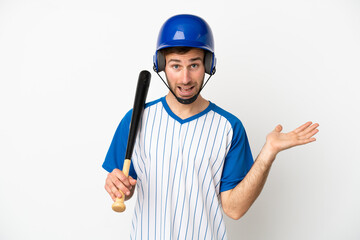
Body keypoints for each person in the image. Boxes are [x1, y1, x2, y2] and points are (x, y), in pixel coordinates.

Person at [102, 14, 319, 240]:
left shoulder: (229, 127)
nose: (185, 78)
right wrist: (117, 186)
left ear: (208, 65)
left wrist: (268, 153)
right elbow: (124, 188)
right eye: (176, 65)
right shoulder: (135, 120)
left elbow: (234, 209)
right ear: (162, 66)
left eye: (194, 64)